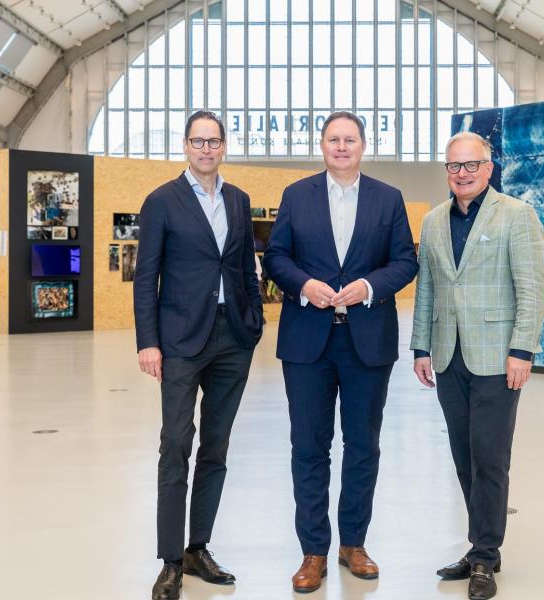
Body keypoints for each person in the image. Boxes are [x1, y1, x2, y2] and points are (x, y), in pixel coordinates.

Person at [264, 111, 418, 594]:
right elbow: (276, 258)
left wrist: (370, 286)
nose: (342, 146)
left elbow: (405, 261)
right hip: (307, 342)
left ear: (363, 145)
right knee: (309, 448)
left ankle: (354, 544)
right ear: (323, 146)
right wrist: (305, 284)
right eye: (333, 139)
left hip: (366, 342)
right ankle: (313, 551)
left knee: (362, 446)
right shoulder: (296, 195)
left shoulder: (387, 199)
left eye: (350, 139)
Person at [410, 131, 544, 600]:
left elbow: (532, 288)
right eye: (454, 166)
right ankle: (480, 544)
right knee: (464, 457)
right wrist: (421, 348)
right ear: (446, 171)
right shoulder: (432, 221)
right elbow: (428, 287)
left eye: (471, 165)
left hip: (496, 358)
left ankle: (485, 556)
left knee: (490, 458)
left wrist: (523, 350)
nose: (462, 174)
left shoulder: (517, 216)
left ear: (489, 168)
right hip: (448, 357)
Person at [134, 110, 264, 600]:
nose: (206, 149)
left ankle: (198, 547)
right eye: (197, 141)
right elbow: (146, 276)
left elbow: (243, 267)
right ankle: (170, 559)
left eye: (214, 141)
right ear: (185, 146)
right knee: (175, 443)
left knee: (216, 446)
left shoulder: (238, 199)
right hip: (181, 341)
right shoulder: (162, 201)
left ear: (224, 146)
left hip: (233, 338)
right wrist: (148, 341)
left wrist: (253, 322)